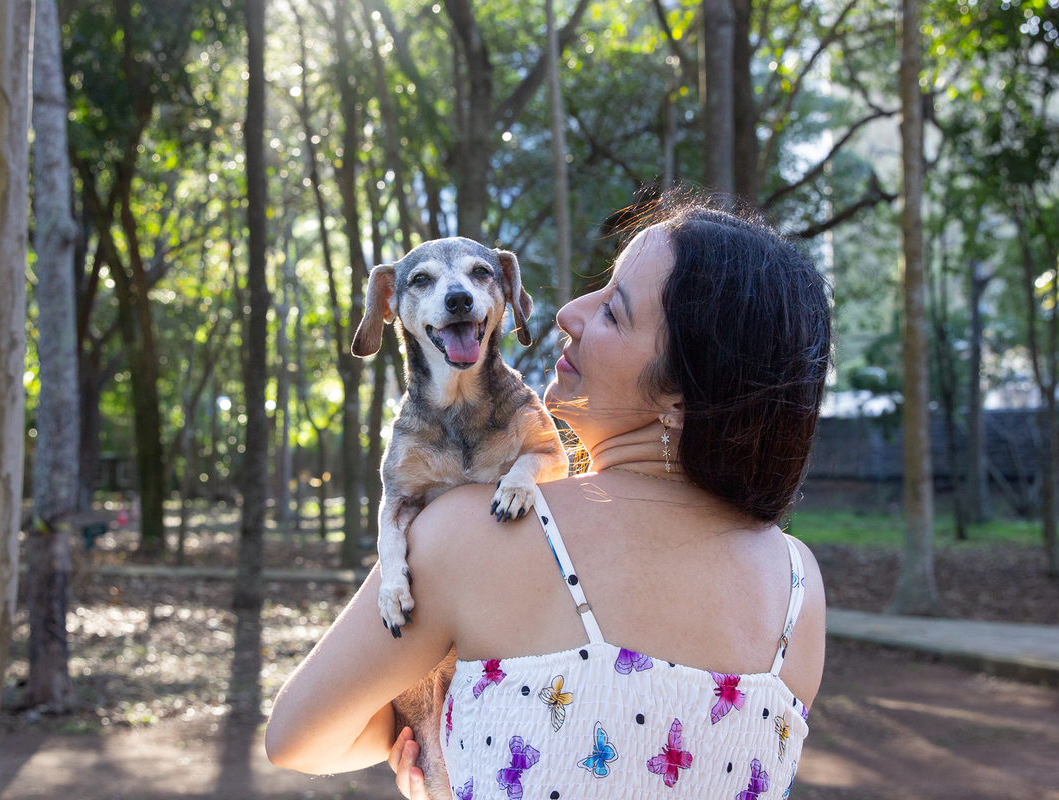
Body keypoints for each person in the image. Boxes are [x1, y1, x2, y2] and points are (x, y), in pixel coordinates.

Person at [265, 200, 830, 799]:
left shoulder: (467, 532)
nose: (568, 312)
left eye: (613, 311)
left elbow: (298, 738)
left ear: (680, 397)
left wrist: (435, 749)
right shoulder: (800, 589)